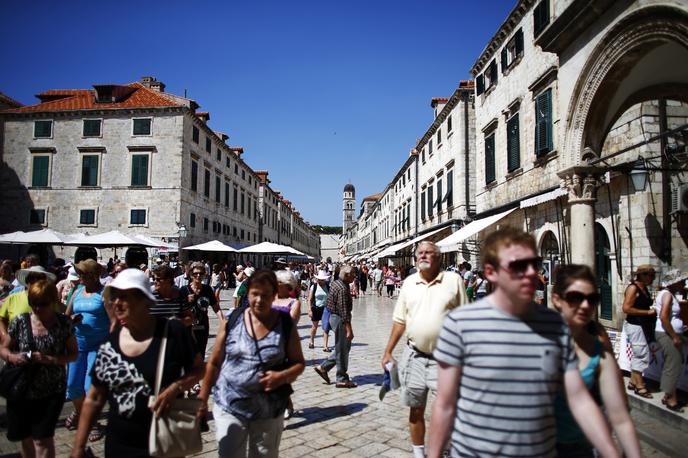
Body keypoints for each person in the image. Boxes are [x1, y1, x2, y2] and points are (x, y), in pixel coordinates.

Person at [427, 227, 619, 458]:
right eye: (519, 265)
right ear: (491, 272)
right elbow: (445, 404)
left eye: (534, 263)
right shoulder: (461, 324)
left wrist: (611, 452)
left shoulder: (555, 326)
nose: (531, 273)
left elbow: (578, 398)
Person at [70, 268, 203, 458]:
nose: (117, 303)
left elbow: (200, 368)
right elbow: (94, 398)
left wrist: (176, 387)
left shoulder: (172, 331)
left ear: (144, 300)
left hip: (163, 440)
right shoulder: (110, 344)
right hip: (119, 443)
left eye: (124, 296)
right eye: (113, 297)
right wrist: (78, 447)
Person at [198, 270, 305, 458]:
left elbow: (298, 363)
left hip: (269, 409)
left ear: (274, 295)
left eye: (266, 295)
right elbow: (214, 362)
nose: (259, 300)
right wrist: (202, 398)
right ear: (248, 294)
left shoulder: (284, 324)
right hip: (230, 404)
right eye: (255, 293)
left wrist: (282, 377)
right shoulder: (232, 320)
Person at [381, 241, 467, 458]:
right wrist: (388, 350)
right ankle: (419, 453)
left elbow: (464, 319)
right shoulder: (409, 283)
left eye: (429, 252)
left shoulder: (453, 280)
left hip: (446, 359)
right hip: (415, 355)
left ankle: (445, 451)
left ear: (439, 256)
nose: (423, 255)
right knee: (415, 408)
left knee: (448, 410)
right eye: (420, 252)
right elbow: (400, 320)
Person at [551, 264, 642, 457]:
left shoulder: (599, 350)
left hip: (579, 447)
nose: (585, 305)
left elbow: (620, 418)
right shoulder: (534, 342)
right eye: (576, 297)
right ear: (556, 299)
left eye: (592, 299)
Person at [0, 280, 78, 458]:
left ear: (53, 301)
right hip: (21, 389)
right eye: (33, 303)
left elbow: (74, 354)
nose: (37, 308)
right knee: (25, 437)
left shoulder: (63, 323)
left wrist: (51, 359)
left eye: (42, 304)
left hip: (51, 390)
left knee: (42, 439)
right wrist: (13, 357)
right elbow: (3, 348)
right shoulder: (21, 322)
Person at [64, 259, 111, 441]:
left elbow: (113, 320)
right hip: (77, 345)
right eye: (80, 274)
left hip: (98, 347)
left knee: (89, 387)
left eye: (83, 274)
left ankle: (91, 422)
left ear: (92, 276)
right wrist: (70, 320)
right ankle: (79, 412)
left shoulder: (104, 293)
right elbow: (65, 316)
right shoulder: (77, 292)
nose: (80, 277)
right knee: (73, 386)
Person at [314, 266, 357, 388]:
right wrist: (349, 329)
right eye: (353, 274)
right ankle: (341, 378)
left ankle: (323, 367)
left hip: (334, 317)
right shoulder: (343, 288)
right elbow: (343, 311)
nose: (354, 276)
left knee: (342, 347)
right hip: (340, 320)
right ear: (347, 275)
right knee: (343, 349)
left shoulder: (336, 283)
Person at [621, 264, 657, 398]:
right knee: (641, 354)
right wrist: (647, 312)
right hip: (635, 325)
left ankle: (632, 381)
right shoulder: (633, 288)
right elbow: (626, 308)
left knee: (639, 352)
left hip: (642, 325)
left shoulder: (644, 288)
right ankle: (640, 385)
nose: (653, 278)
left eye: (653, 275)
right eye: (650, 275)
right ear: (642, 275)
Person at [654, 272, 687, 412]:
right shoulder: (667, 295)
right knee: (673, 365)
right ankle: (671, 400)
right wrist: (674, 336)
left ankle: (669, 395)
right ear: (673, 282)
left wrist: (680, 327)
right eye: (681, 281)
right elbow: (663, 317)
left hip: (669, 332)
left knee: (673, 364)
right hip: (667, 334)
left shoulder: (666, 294)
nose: (683, 284)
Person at [180, 262, 224, 363]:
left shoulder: (207, 289)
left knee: (200, 356)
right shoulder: (184, 290)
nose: (198, 276)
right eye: (195, 274)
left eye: (201, 273)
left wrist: (222, 322)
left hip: (202, 327)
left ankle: (197, 377)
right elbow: (178, 309)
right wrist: (186, 300)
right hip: (188, 328)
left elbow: (216, 307)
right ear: (191, 274)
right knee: (187, 357)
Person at [0, 266, 57, 337]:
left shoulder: (50, 300)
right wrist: (5, 335)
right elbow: (2, 320)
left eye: (39, 278)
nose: (35, 281)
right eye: (32, 278)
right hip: (16, 344)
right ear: (27, 280)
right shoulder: (13, 298)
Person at [307, 271, 330, 351]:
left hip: (325, 309)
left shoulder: (328, 286)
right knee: (314, 327)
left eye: (322, 280)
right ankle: (311, 341)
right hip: (316, 308)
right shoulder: (314, 286)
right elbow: (309, 299)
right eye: (319, 279)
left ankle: (325, 346)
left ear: (325, 280)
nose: (320, 281)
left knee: (326, 327)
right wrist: (309, 310)